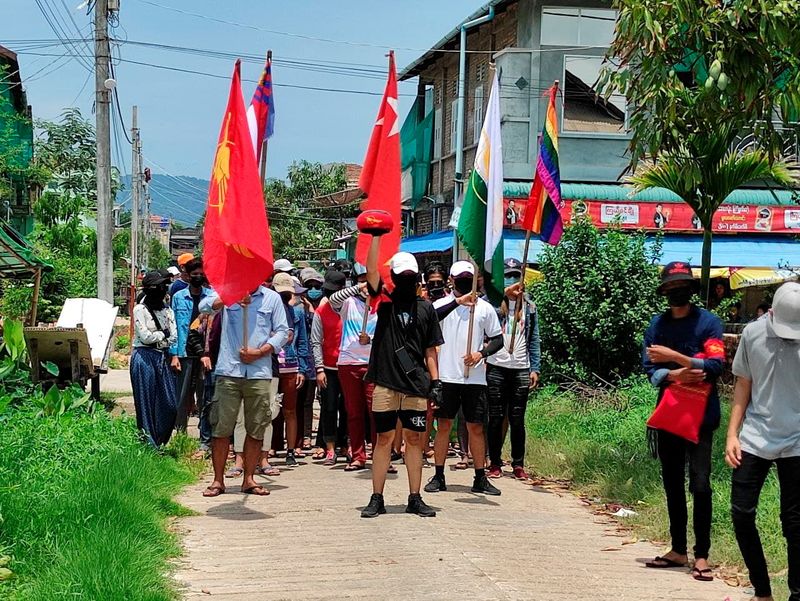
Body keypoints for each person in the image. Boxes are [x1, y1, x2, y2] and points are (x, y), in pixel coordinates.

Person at [642, 261, 724, 580]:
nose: (677, 292)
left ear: (691, 289)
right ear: (664, 292)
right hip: (669, 415)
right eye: (671, 288)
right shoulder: (657, 325)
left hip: (702, 417)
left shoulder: (708, 323)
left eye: (682, 287)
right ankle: (678, 550)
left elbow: (715, 366)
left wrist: (673, 357)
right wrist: (680, 373)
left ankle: (702, 555)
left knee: (700, 484)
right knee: (672, 482)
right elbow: (650, 369)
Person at [727, 282, 800, 601]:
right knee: (741, 513)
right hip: (755, 437)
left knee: (796, 524)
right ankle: (762, 591)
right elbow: (744, 384)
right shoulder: (753, 334)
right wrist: (732, 433)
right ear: (771, 314)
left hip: (798, 440)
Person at [360, 248, 443, 518]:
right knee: (383, 439)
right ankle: (377, 497)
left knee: (414, 440)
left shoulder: (426, 308)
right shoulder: (383, 302)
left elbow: (430, 349)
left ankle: (415, 497)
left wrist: (436, 381)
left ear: (416, 278)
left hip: (415, 386)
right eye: (402, 276)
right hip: (385, 382)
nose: (407, 281)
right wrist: (375, 239)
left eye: (410, 276)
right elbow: (372, 272)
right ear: (394, 277)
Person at [199, 283, 289, 497]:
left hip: (259, 372)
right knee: (221, 428)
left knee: (256, 427)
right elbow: (204, 307)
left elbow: (283, 331)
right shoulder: (226, 291)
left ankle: (249, 478)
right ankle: (218, 480)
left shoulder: (272, 298)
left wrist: (260, 351)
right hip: (229, 370)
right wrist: (230, 297)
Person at [425, 261, 504, 497]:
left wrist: (481, 353)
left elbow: (498, 339)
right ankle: (438, 475)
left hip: (475, 379)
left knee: (476, 427)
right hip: (447, 376)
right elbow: (431, 318)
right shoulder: (441, 305)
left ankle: (480, 476)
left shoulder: (485, 309)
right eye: (459, 277)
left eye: (468, 277)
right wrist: (457, 302)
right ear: (451, 279)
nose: (463, 281)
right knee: (444, 426)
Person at [486, 258, 541, 480]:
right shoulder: (493, 304)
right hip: (497, 366)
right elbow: (488, 326)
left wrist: (534, 368)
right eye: (508, 276)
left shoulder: (530, 307)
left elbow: (534, 339)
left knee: (517, 418)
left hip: (520, 367)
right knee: (496, 416)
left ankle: (518, 464)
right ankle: (495, 462)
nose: (513, 280)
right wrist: (504, 297)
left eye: (516, 276)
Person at [329, 272, 377, 472]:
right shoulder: (347, 303)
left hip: (374, 364)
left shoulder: (383, 305)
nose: (366, 285)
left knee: (377, 412)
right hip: (348, 363)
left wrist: (371, 339)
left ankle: (381, 455)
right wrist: (360, 287)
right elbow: (333, 299)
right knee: (354, 413)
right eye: (362, 280)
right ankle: (358, 455)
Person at [130, 270, 178, 447]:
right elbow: (144, 337)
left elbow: (173, 337)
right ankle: (149, 443)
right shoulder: (140, 309)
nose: (162, 289)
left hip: (162, 357)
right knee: (146, 401)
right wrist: (162, 334)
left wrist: (158, 335)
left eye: (164, 286)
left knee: (170, 403)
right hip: (144, 357)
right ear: (149, 289)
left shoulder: (167, 311)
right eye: (158, 286)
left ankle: (160, 438)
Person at [270, 272, 309, 467]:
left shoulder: (298, 313)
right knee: (268, 410)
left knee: (290, 410)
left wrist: (303, 368)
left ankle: (291, 450)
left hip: (291, 364)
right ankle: (267, 448)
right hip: (270, 364)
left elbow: (302, 341)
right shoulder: (267, 310)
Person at [170, 258, 212, 433]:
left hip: (206, 353)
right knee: (181, 395)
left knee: (204, 396)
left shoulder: (211, 297)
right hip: (184, 352)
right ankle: (180, 433)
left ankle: (205, 436)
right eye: (195, 274)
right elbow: (173, 326)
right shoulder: (179, 297)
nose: (198, 277)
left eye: (201, 274)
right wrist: (174, 355)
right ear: (187, 275)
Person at [311, 270, 349, 466]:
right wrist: (319, 369)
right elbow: (315, 342)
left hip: (348, 366)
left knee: (348, 409)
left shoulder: (352, 308)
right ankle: (330, 448)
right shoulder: (320, 312)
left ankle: (346, 444)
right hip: (328, 367)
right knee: (329, 407)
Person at [298, 268, 324, 453]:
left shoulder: (326, 307)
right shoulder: (298, 310)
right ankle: (303, 436)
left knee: (324, 401)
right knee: (304, 402)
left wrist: (313, 311)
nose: (313, 289)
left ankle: (321, 440)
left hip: (322, 362)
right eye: (310, 287)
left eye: (317, 286)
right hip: (304, 362)